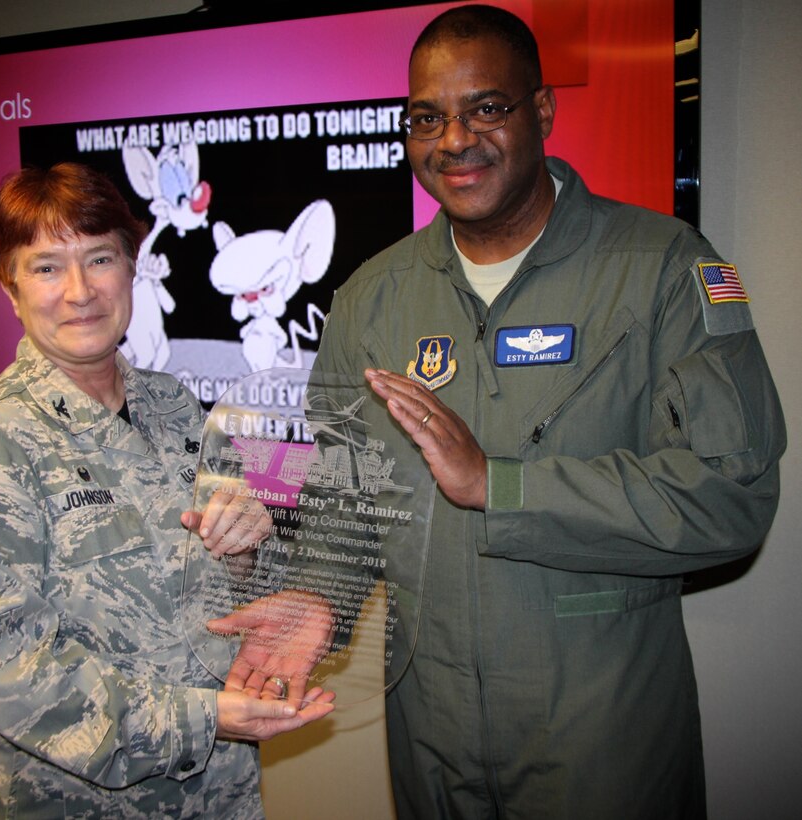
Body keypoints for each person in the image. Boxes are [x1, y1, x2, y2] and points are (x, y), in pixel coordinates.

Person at [310, 5, 786, 819]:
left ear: (541, 112)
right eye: (425, 117)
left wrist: (503, 486)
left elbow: (730, 496)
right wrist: (312, 603)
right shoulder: (372, 298)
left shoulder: (664, 269)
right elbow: (339, 503)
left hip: (602, 743)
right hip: (430, 741)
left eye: (484, 107)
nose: (452, 139)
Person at [0, 162, 334, 818]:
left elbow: (233, 584)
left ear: (132, 267)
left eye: (100, 258)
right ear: (10, 287)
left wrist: (248, 548)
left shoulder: (175, 407)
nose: (80, 290)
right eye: (47, 266)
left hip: (214, 795)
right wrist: (204, 720)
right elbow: (6, 670)